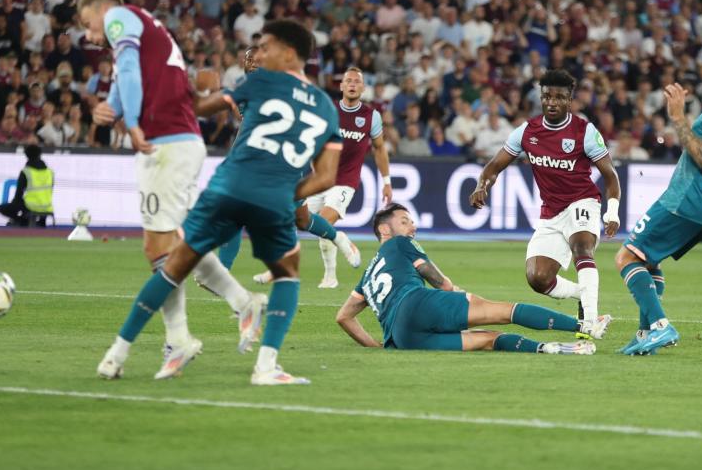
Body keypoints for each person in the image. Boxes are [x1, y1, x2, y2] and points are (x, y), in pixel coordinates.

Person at [103, 19, 342, 385]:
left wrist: (193, 85)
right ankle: (265, 367)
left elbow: (201, 107)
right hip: (275, 200)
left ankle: (117, 354)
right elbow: (326, 177)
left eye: (266, 47)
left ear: (290, 53)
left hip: (227, 188)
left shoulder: (259, 82)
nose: (258, 54)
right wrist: (287, 193)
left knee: (173, 264)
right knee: (288, 274)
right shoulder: (327, 107)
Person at [81, 0, 263, 380]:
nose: (90, 36)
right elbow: (124, 71)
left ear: (102, 10)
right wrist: (110, 106)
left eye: (87, 25)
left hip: (165, 143)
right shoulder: (144, 24)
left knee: (159, 249)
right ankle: (237, 304)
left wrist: (130, 122)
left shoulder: (119, 17)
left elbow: (128, 69)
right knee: (175, 248)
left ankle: (184, 336)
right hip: (180, 141)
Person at [615, 32, 702, 356]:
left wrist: (679, 118)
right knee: (649, 261)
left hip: (686, 198)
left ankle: (662, 327)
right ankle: (644, 334)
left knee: (626, 256)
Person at [335, 204, 608, 353]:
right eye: (405, 221)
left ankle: (548, 348)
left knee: (487, 341)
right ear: (385, 228)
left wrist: (374, 346)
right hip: (417, 304)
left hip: (401, 337)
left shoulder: (368, 274)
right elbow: (435, 278)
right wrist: (455, 292)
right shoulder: (398, 244)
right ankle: (584, 326)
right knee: (502, 312)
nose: (412, 227)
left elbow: (344, 317)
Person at [470, 69, 622, 332]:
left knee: (582, 248)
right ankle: (583, 295)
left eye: (559, 97)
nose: (552, 102)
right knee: (538, 277)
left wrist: (613, 211)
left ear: (569, 100)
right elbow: (494, 166)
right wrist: (481, 186)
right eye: (547, 96)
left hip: (583, 201)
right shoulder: (527, 132)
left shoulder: (584, 131)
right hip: (551, 212)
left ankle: (591, 322)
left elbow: (610, 175)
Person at [217, 53, 363, 287]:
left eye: (259, 61)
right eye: (249, 60)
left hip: (285, 165)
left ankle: (337, 238)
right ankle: (222, 272)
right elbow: (246, 125)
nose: (253, 64)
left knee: (300, 220)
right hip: (263, 165)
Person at [253, 67, 393, 288]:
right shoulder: (327, 110)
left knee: (324, 222)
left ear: (363, 87)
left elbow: (379, 148)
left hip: (345, 181)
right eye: (349, 81)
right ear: (341, 86)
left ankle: (325, 267)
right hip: (320, 177)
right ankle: (322, 275)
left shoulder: (371, 116)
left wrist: (386, 181)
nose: (353, 84)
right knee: (298, 222)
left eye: (357, 81)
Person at [0, 145, 54, 227]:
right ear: (40, 154)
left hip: (30, 206)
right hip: (47, 206)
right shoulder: (50, 172)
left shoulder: (26, 171)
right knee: (19, 205)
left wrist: (14, 207)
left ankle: (22, 221)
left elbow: (18, 194)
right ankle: (39, 222)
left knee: (2, 208)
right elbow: (50, 191)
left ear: (26, 155)